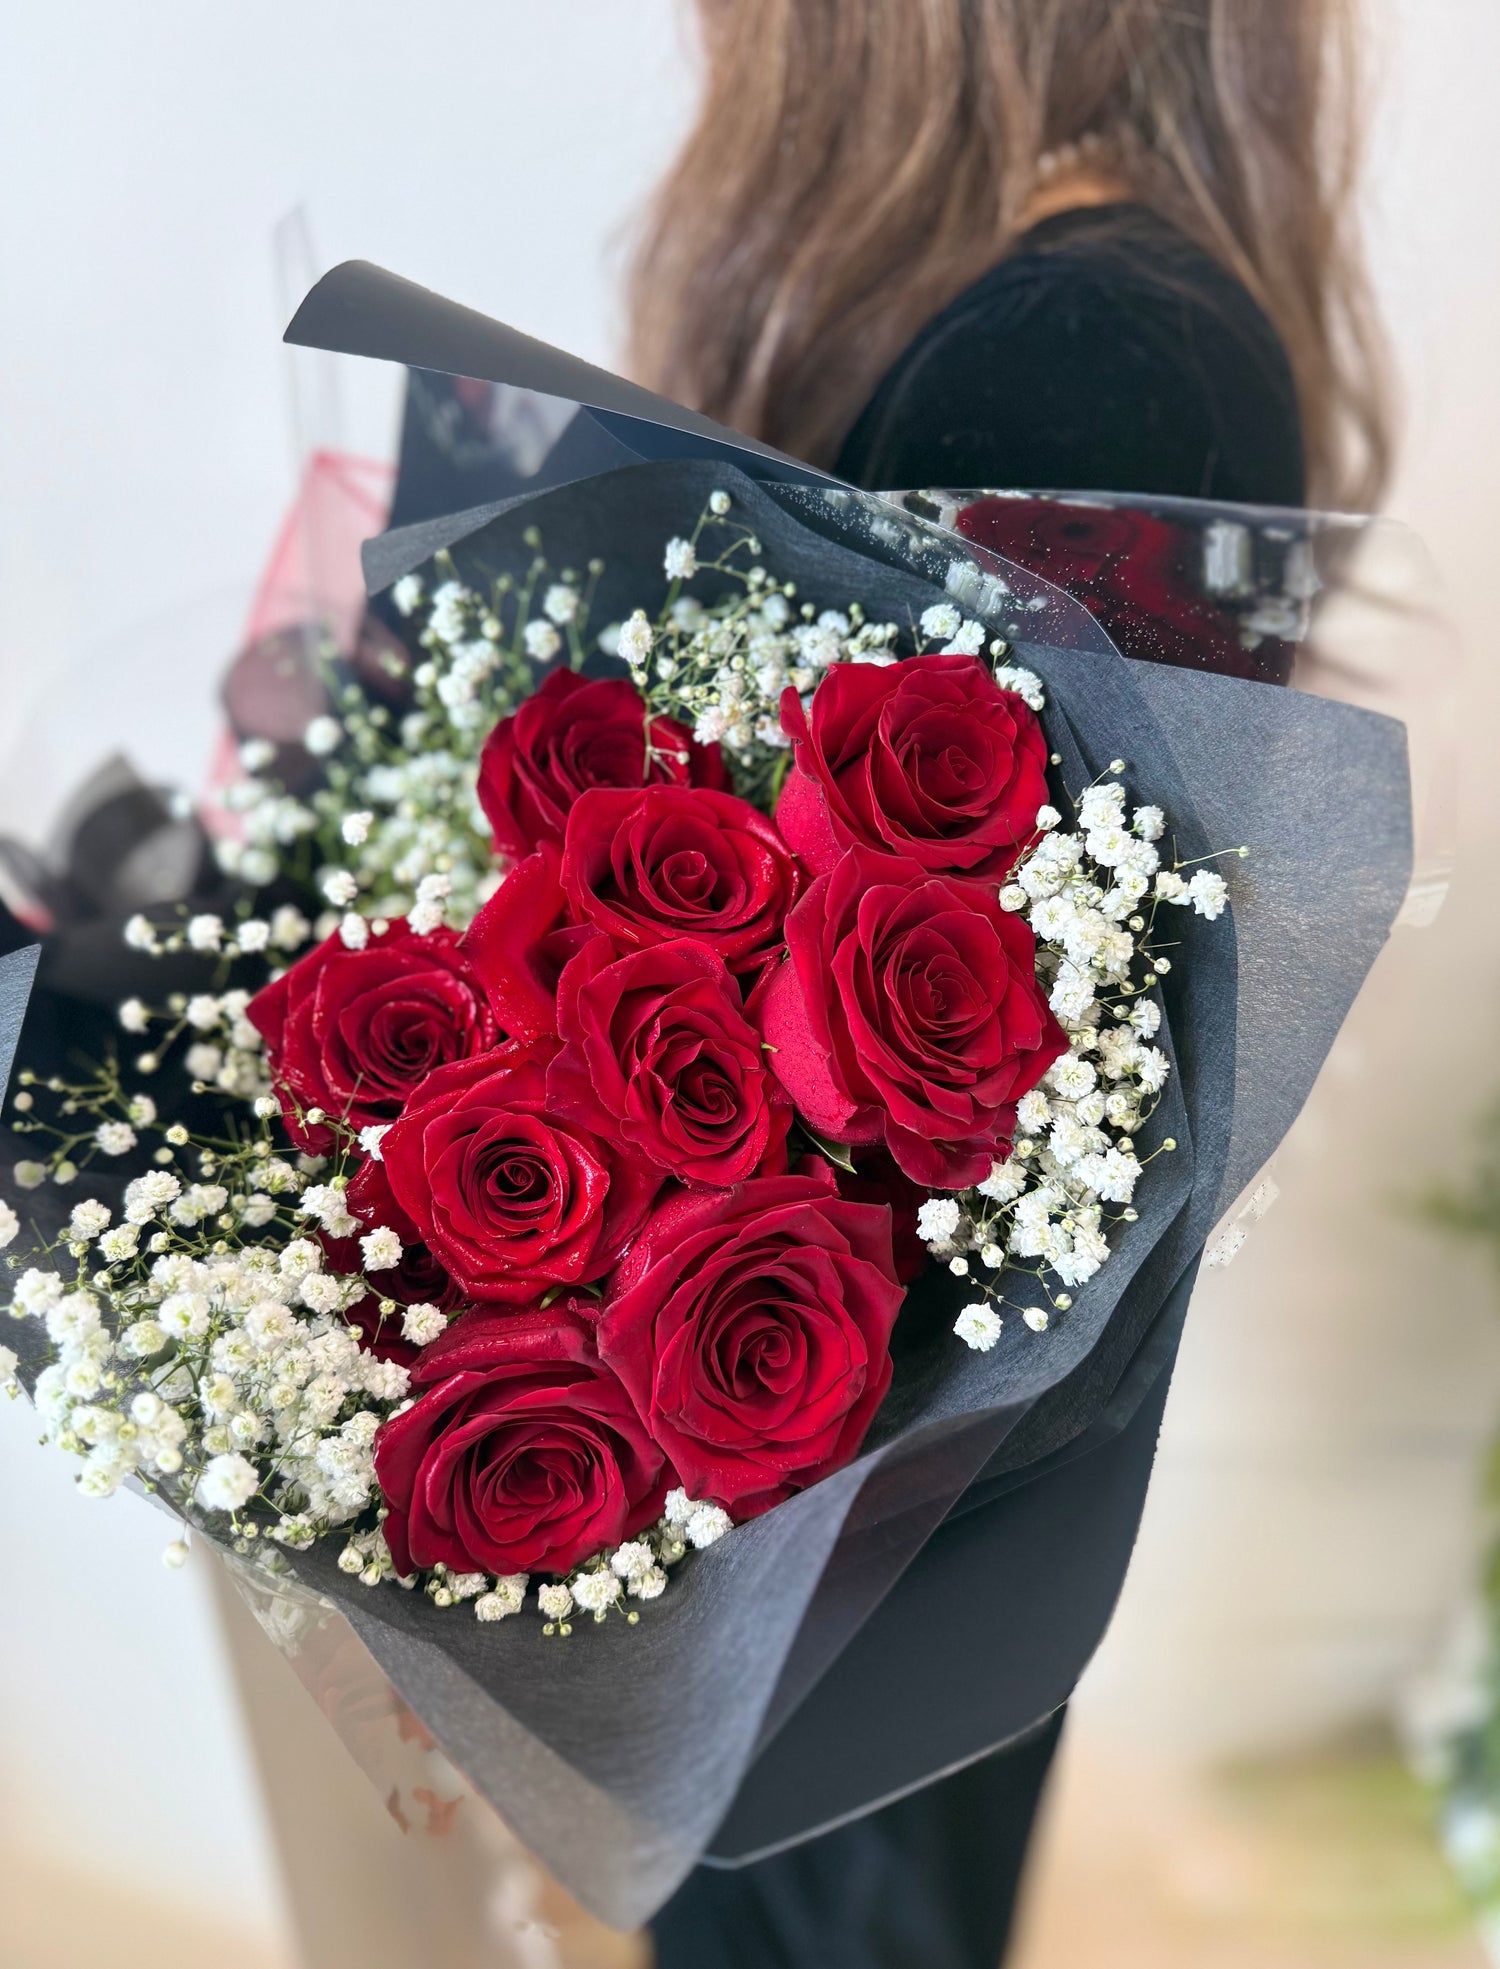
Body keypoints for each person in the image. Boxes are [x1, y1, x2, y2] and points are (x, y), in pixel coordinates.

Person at [630, 4, 1389, 1965]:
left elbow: (922, 1071)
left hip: (850, 1438)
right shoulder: (1091, 303)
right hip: (877, 1435)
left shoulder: (1085, 352)